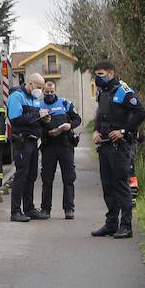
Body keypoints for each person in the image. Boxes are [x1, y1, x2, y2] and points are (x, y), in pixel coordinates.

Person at [90, 60, 145, 238]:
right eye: (96, 75)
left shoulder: (124, 91)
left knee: (121, 185)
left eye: (100, 75)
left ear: (111, 74)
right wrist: (96, 131)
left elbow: (140, 112)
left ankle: (126, 225)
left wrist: (124, 131)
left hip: (120, 146)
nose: (97, 78)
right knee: (108, 186)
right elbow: (100, 114)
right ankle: (111, 223)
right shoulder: (102, 92)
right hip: (105, 144)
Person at [6, 72, 50, 221]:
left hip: (32, 142)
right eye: (39, 87)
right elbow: (16, 119)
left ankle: (29, 208)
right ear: (30, 84)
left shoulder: (34, 99)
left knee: (32, 175)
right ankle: (15, 211)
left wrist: (44, 119)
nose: (40, 90)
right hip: (21, 142)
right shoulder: (16, 97)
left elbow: (34, 119)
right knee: (21, 175)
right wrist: (38, 114)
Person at [38, 79, 81, 219]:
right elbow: (36, 126)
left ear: (55, 91)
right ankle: (45, 209)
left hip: (65, 145)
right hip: (48, 146)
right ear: (43, 91)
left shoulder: (65, 103)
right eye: (47, 92)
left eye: (52, 92)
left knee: (68, 178)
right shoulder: (39, 106)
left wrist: (69, 125)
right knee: (47, 179)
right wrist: (46, 132)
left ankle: (69, 209)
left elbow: (77, 119)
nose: (49, 94)